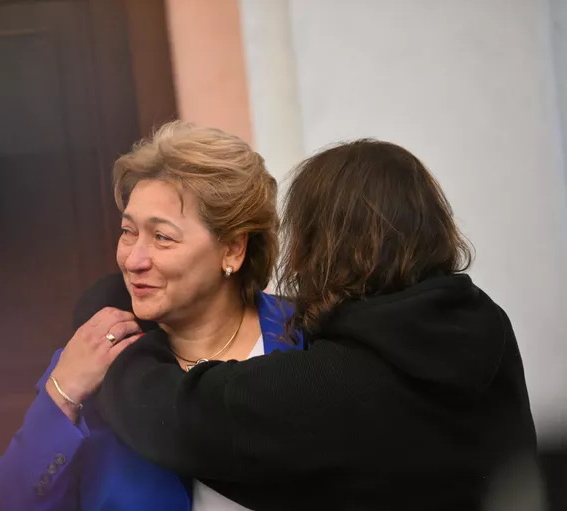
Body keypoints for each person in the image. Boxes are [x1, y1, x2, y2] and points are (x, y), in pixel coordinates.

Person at [98, 139, 538, 510]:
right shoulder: (484, 324)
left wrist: (117, 345)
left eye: (163, 237)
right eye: (128, 232)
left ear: (322, 249)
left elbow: (186, 419)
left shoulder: (341, 376)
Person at [0, 121, 300, 510]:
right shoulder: (96, 356)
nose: (133, 260)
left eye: (162, 237)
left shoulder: (306, 344)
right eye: (128, 232)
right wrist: (62, 397)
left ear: (233, 249)